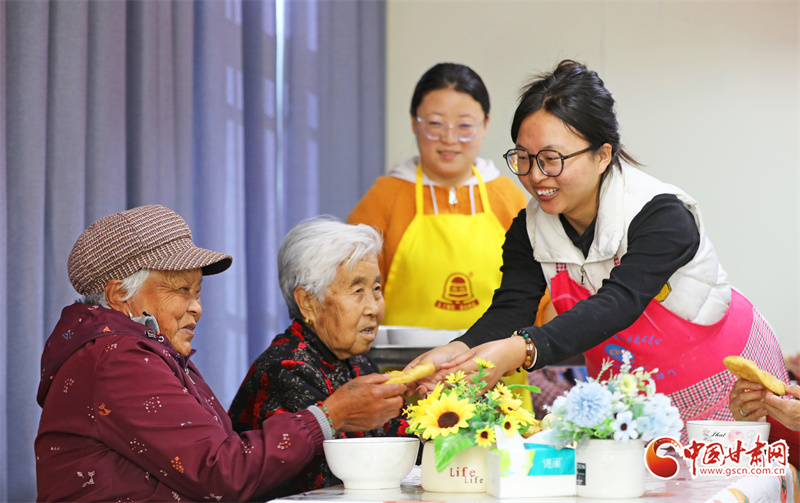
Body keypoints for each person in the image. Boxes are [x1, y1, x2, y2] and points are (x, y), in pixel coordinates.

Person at [407, 59, 788, 429]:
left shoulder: (662, 215)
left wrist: (522, 349)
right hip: (632, 393)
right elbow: (512, 308)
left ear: (602, 154)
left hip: (724, 380)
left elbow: (618, 302)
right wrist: (457, 351)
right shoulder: (529, 227)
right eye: (523, 158)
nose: (536, 176)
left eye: (551, 159)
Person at [34, 205, 406, 502]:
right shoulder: (118, 359)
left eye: (197, 291)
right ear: (120, 295)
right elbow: (221, 472)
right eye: (180, 290)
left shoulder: (138, 350)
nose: (197, 307)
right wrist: (331, 415)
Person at [347, 62, 555, 411]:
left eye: (464, 126)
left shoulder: (509, 197)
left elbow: (543, 294)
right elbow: (351, 292)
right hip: (405, 379)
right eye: (435, 124)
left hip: (497, 378)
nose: (449, 138)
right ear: (414, 122)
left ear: (485, 125)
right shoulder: (383, 199)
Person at [228, 217, 412, 499]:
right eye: (357, 290)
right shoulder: (287, 368)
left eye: (376, 289)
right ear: (308, 302)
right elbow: (337, 477)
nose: (373, 308)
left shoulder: (358, 362)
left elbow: (397, 440)